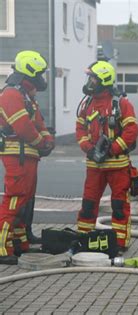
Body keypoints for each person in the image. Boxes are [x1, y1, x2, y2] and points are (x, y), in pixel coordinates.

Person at [76, 60, 138, 253]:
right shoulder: (86, 103)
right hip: (94, 166)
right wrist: (89, 148)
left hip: (117, 165)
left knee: (119, 205)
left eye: (93, 78)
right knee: (88, 204)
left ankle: (120, 243)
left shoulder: (120, 103)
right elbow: (80, 129)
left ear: (103, 79)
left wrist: (111, 149)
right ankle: (84, 239)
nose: (89, 81)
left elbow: (131, 130)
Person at [0, 50, 54, 261]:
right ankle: (3, 248)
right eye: (39, 73)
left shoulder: (26, 96)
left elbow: (38, 122)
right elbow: (23, 127)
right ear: (29, 73)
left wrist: (48, 140)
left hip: (28, 155)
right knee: (14, 200)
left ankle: (20, 243)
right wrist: (42, 143)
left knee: (24, 201)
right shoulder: (11, 95)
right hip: (18, 155)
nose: (42, 79)